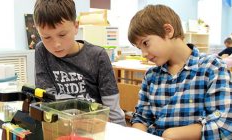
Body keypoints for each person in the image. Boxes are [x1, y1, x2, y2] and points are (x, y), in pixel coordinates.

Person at [128, 4, 232, 140]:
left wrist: (170, 135)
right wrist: (139, 134)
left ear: (168, 31)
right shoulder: (151, 76)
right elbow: (141, 118)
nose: (143, 54)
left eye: (146, 43)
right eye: (139, 48)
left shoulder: (212, 67)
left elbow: (224, 125)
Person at [33, 0, 126, 126]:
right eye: (47, 37)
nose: (56, 44)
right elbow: (47, 98)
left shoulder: (97, 56)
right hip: (60, 125)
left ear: (76, 26)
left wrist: (120, 132)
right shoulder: (42, 50)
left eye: (62, 34)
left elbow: (113, 108)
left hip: (94, 126)